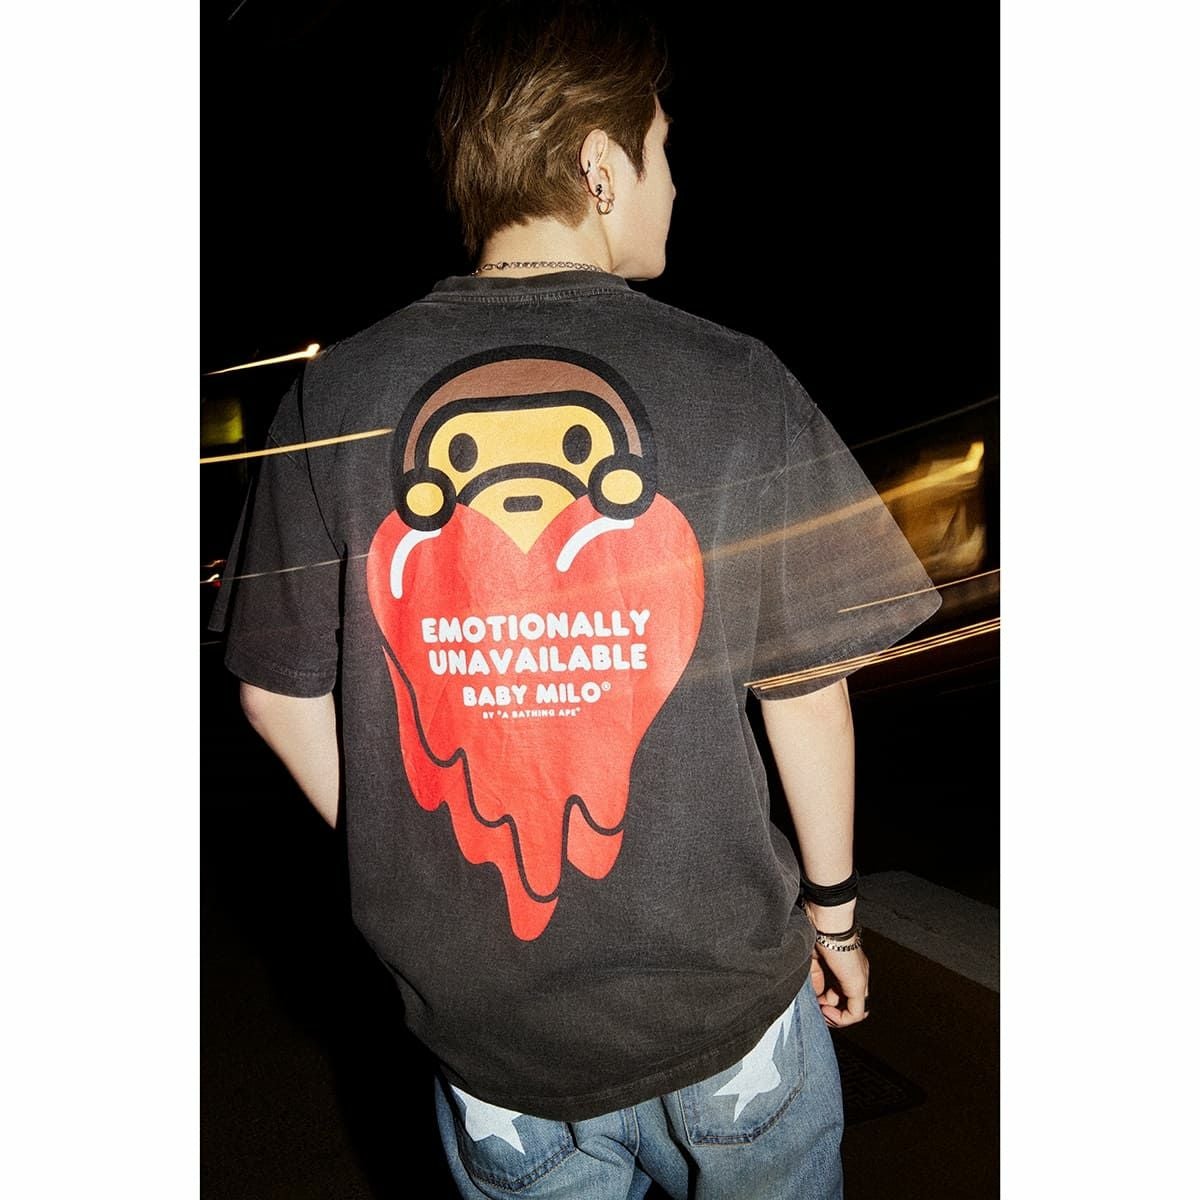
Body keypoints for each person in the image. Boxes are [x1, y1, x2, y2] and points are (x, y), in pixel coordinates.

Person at [210, 2, 940, 1195]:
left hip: (493, 1042)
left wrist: (411, 848)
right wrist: (836, 919)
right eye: (663, 149)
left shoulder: (329, 399)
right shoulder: (732, 378)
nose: (673, 183)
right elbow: (806, 691)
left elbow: (275, 699)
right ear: (601, 165)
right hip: (723, 1005)